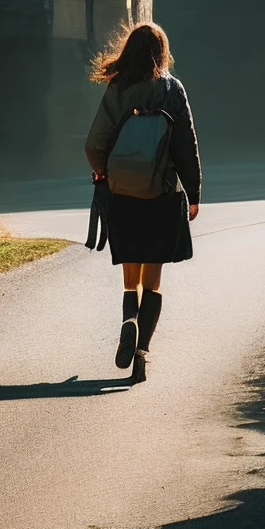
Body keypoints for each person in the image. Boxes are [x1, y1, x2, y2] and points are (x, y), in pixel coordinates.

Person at [84, 21, 201, 384]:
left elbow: (94, 144)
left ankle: (128, 320)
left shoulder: (118, 88)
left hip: (123, 196)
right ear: (162, 52)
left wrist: (103, 173)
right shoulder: (171, 89)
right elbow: (186, 144)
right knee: (153, 280)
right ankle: (141, 354)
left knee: (129, 278)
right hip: (162, 194)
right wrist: (194, 193)